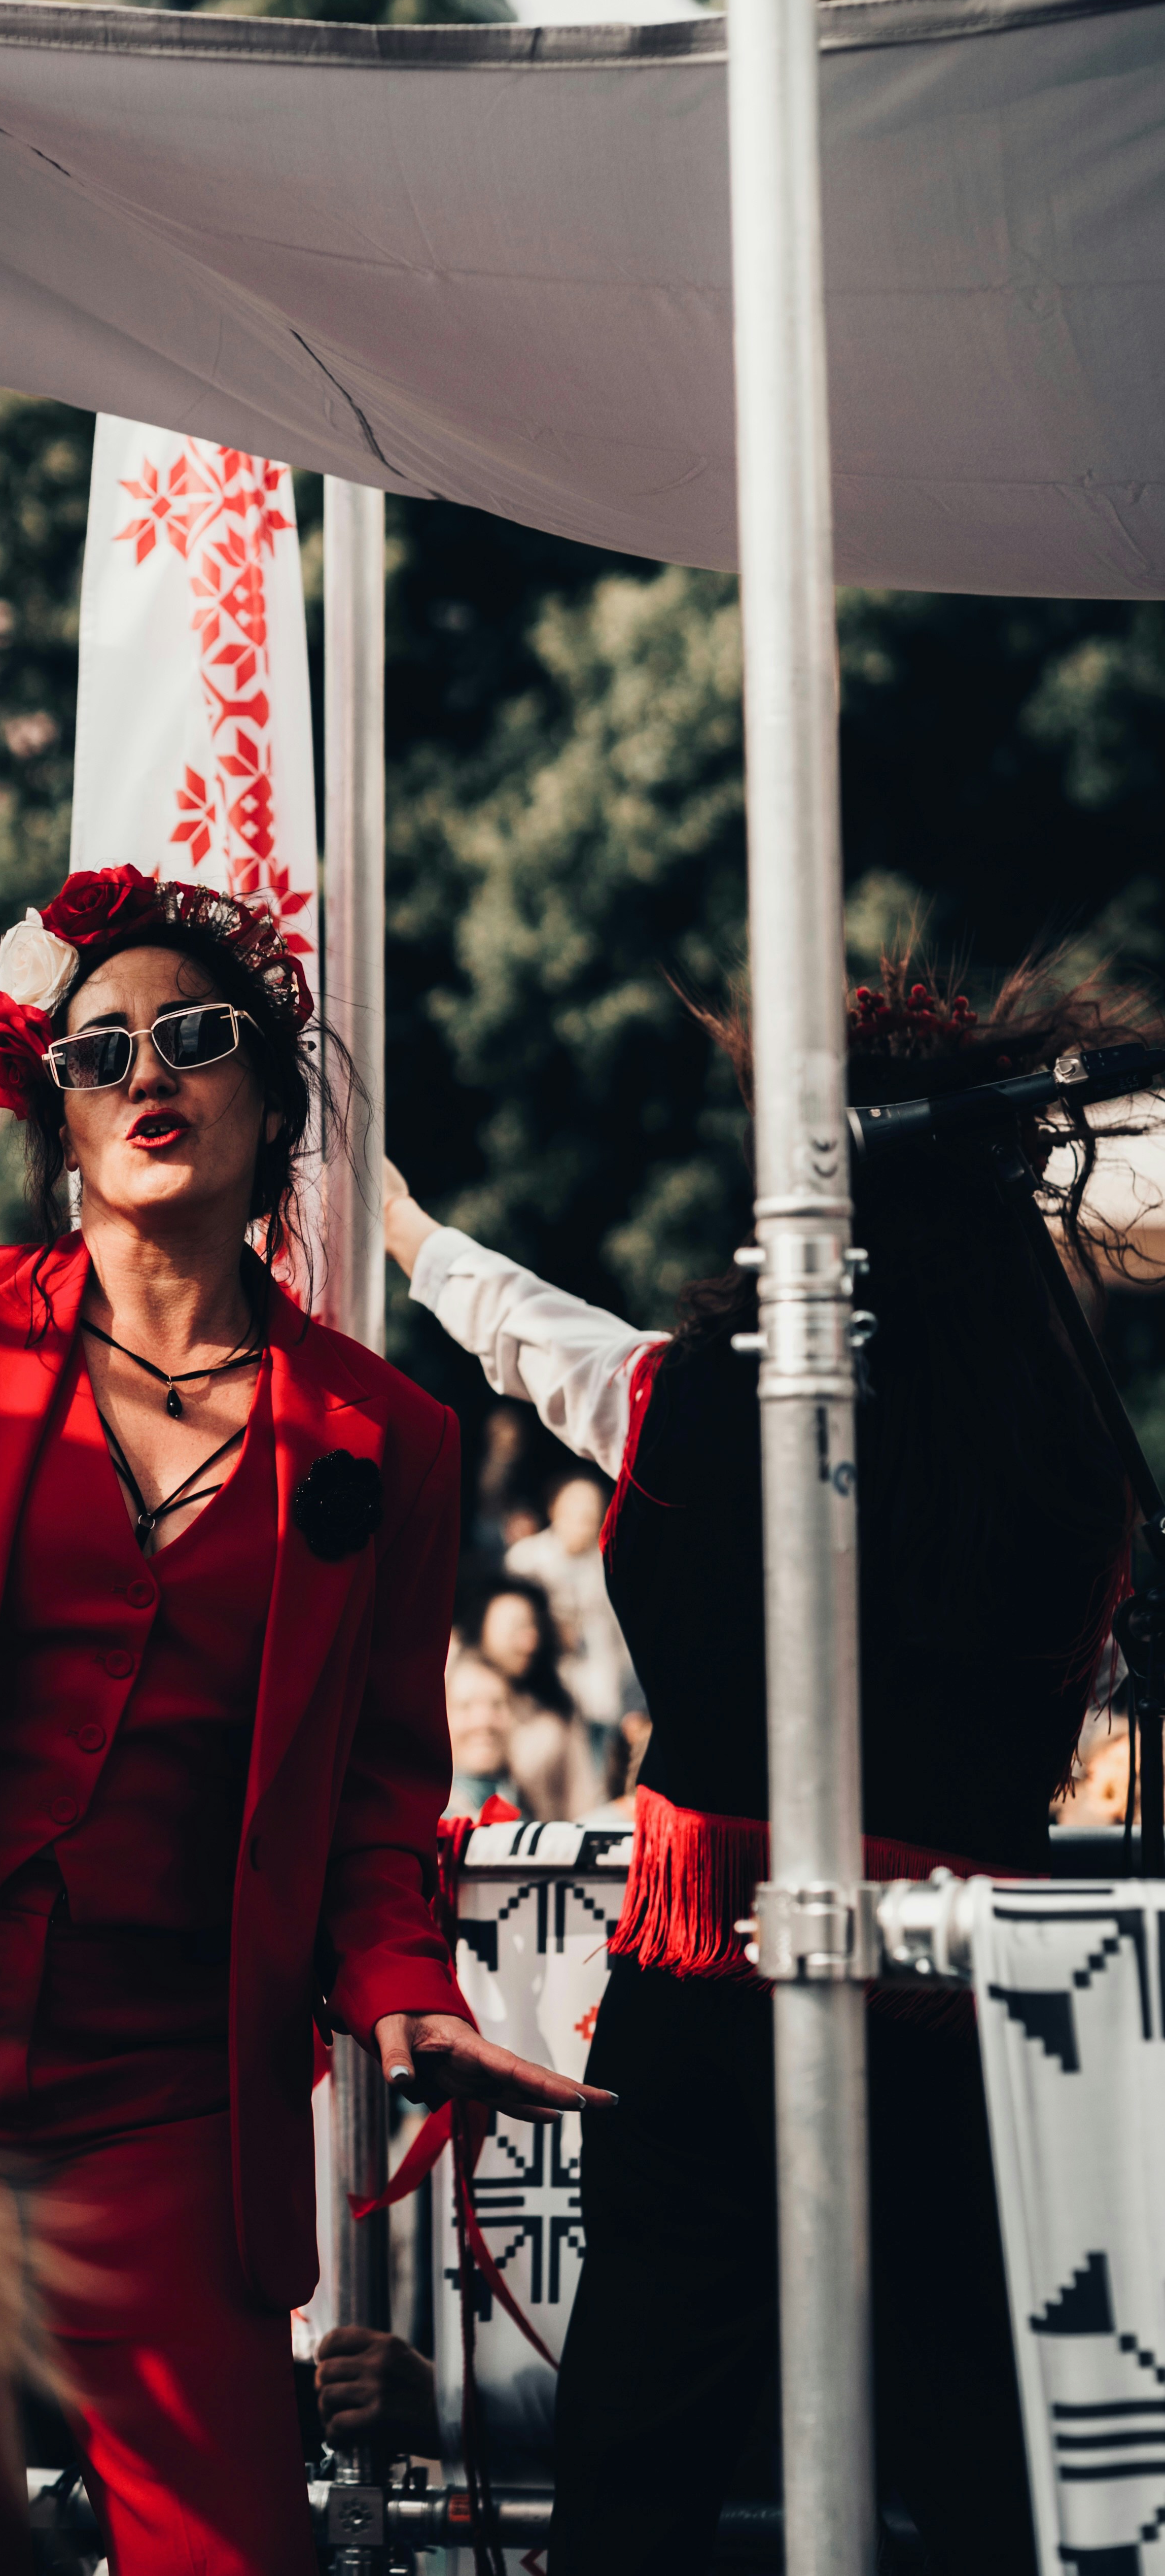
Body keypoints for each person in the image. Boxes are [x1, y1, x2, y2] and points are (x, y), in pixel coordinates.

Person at [0, 862, 605, 2576]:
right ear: (59, 1109)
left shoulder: (386, 1438)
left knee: (230, 2550)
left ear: (270, 1094)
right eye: (102, 1051)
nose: (149, 1074)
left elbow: (384, 1799)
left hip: (167, 2086)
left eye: (195, 1036)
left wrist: (406, 1993)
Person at [384, 960, 1142, 2576]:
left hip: (706, 2007)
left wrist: (402, 1232)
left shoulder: (693, 1405)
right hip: (954, 2014)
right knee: (986, 2463)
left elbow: (540, 1342)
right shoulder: (1062, 1461)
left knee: (641, 2452)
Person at [507, 1470, 641, 1744]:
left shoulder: (610, 1568)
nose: (582, 1518)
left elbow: (622, 1640)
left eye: (591, 1511)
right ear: (554, 1508)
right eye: (574, 1508)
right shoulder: (525, 1560)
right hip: (540, 1691)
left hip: (599, 1694)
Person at [476, 1576, 591, 1822]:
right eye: (515, 1628)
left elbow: (582, 1799)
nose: (530, 1642)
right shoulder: (455, 1691)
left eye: (534, 1628)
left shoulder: (555, 1713)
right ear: (483, 1628)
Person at [444, 1646, 517, 1818]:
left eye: (497, 1705)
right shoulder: (429, 1821)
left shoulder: (525, 1803)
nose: (483, 1721)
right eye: (466, 1706)